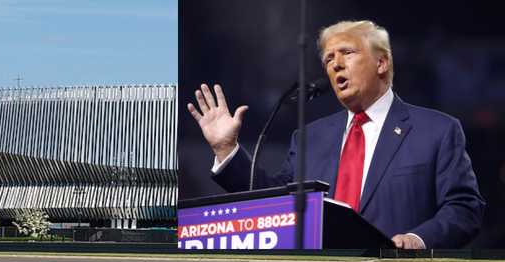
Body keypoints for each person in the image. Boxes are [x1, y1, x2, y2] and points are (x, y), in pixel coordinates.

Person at [186, 20, 485, 249]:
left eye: (347, 53)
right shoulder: (310, 138)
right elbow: (275, 204)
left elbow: (464, 209)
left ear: (382, 63)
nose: (336, 64)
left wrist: (418, 239)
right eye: (328, 59)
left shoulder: (437, 130)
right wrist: (227, 149)